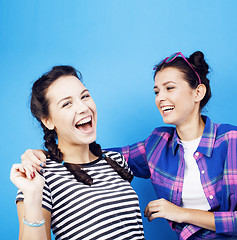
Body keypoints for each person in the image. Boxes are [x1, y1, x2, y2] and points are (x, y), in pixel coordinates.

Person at [19, 51, 237, 240]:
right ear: (47, 120)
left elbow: (93, 158)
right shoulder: (157, 145)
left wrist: (181, 213)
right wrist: (42, 154)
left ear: (198, 92)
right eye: (156, 91)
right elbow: (86, 157)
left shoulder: (231, 140)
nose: (161, 98)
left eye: (170, 88)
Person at [10, 66, 145, 240]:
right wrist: (33, 196)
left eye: (85, 96)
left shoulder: (115, 160)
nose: (83, 108)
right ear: (48, 121)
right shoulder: (40, 176)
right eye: (67, 104)